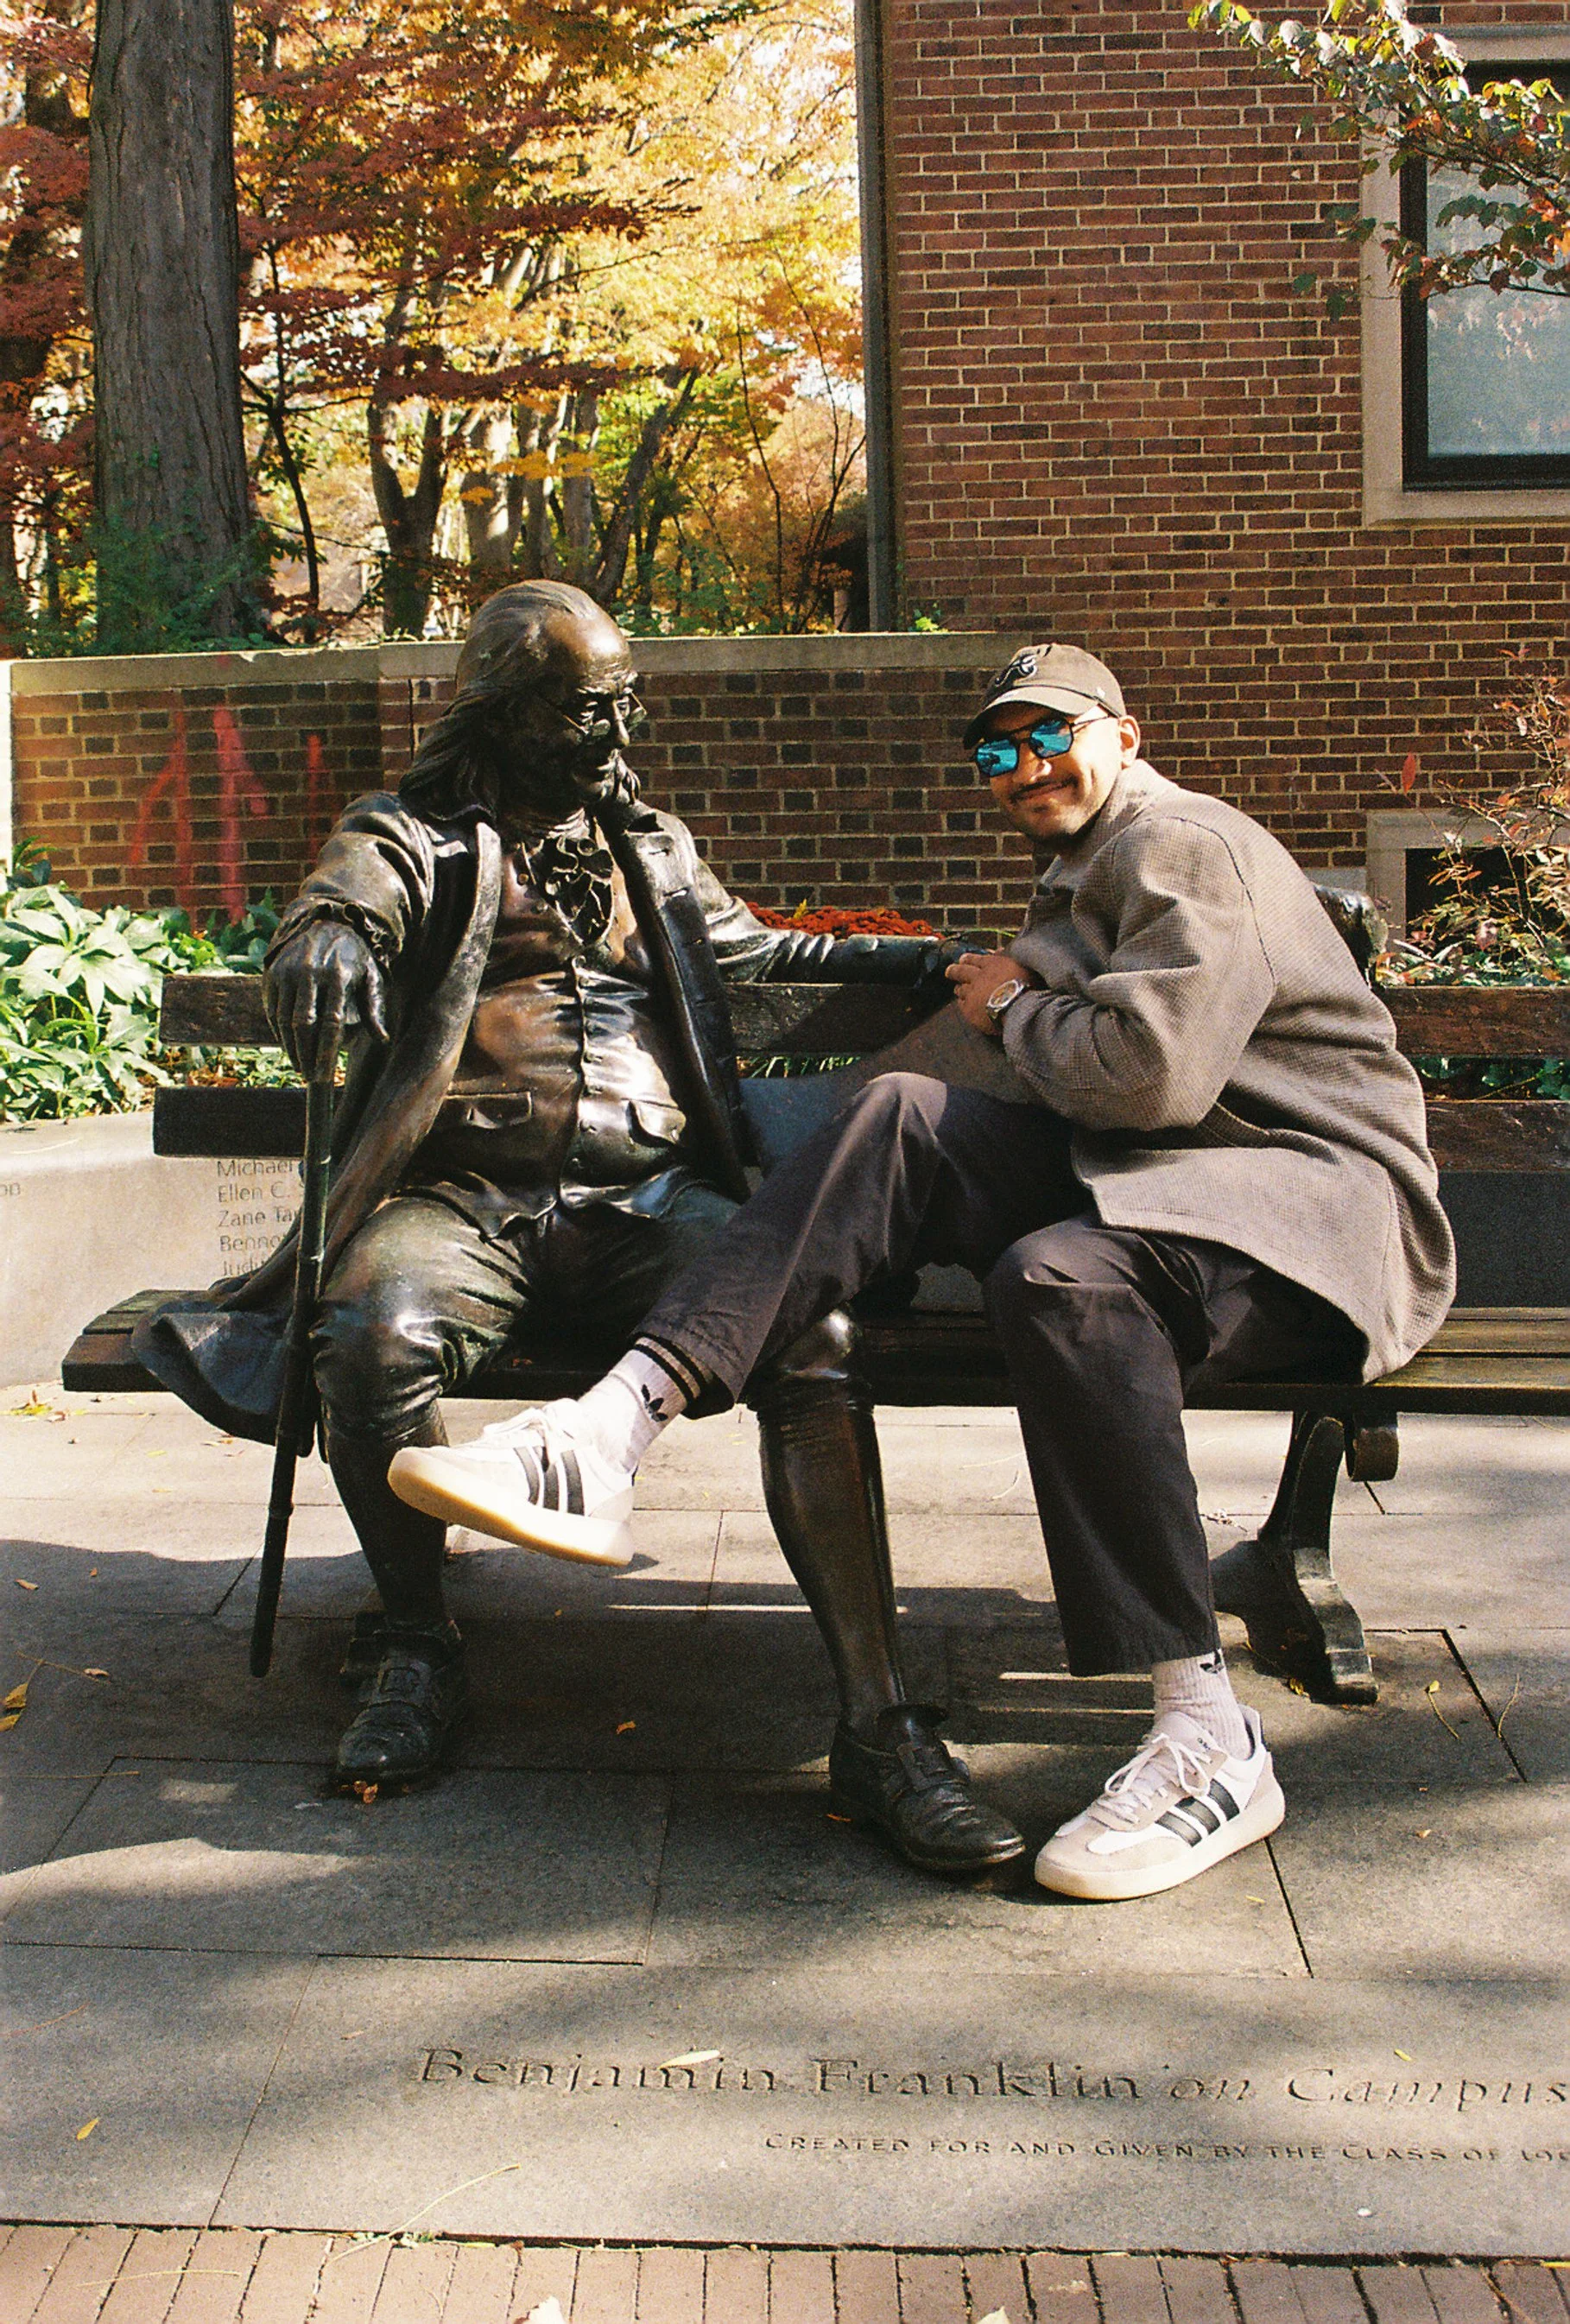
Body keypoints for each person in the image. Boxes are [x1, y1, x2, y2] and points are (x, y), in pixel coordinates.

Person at [392, 640, 1457, 1903]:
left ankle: (1207, 1742)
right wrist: (811, 1179)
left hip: (1303, 1218)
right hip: (1167, 1189)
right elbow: (966, 1087)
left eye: (1051, 732)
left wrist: (1009, 1007)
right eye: (995, 749)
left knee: (1060, 1280)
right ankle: (605, 1432)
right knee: (906, 1122)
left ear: (1124, 734)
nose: (1023, 765)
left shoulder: (1180, 846)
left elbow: (1146, 1075)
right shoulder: (1077, 877)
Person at [131, 580, 1025, 1877]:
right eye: (584, 707)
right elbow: (333, 917)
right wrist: (320, 953)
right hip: (464, 1204)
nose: (615, 730)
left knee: (810, 1334)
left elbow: (754, 954)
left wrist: (935, 959)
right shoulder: (409, 835)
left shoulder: (645, 842)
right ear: (503, 708)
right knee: (371, 1326)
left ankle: (879, 1722)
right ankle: (417, 1635)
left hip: (654, 1198)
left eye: (624, 702)